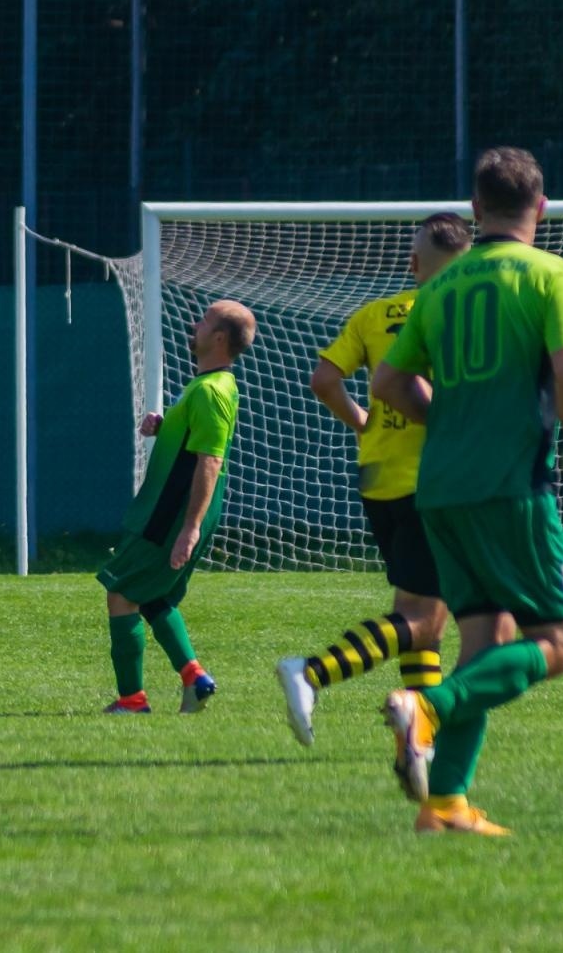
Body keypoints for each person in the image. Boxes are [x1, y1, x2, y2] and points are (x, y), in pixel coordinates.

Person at [371, 146, 563, 836]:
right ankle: (429, 706)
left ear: (475, 210)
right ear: (542, 206)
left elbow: (385, 383)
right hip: (511, 488)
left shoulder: (439, 287)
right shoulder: (552, 275)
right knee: (562, 642)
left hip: (439, 490)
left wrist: (451, 419)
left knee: (483, 641)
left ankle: (445, 805)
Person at [276, 213, 473, 746]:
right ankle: (312, 671)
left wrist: (362, 421)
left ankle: (419, 731)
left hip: (378, 479)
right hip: (432, 480)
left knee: (419, 613)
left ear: (413, 263)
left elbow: (324, 379)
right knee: (426, 617)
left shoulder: (374, 314)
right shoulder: (458, 315)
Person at [98, 299, 257, 715]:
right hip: (175, 510)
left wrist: (190, 527)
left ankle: (132, 700)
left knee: (121, 591)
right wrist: (164, 426)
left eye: (204, 320)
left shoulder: (210, 391)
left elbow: (210, 460)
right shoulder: (209, 385)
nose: (195, 324)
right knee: (153, 597)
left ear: (219, 338)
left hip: (171, 512)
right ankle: (194, 677)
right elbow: (193, 445)